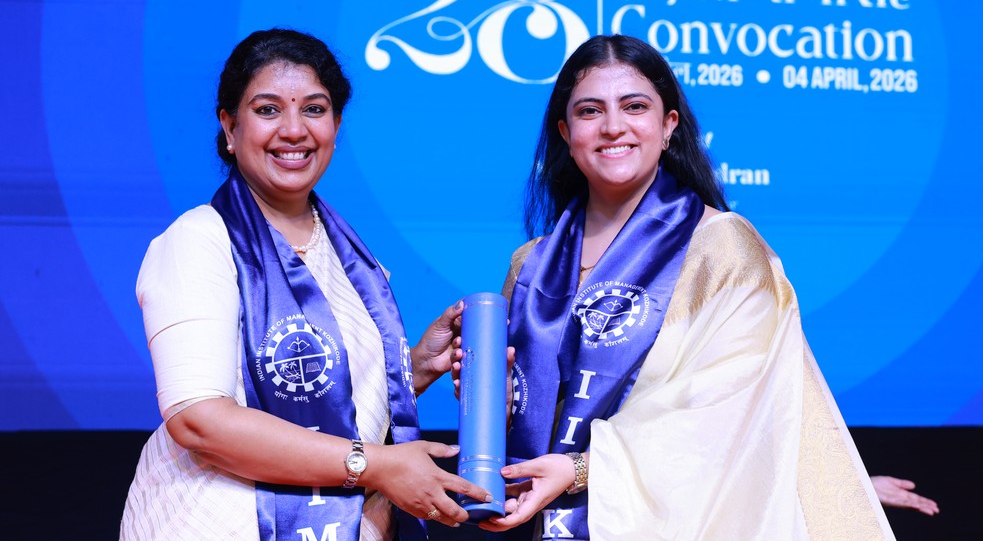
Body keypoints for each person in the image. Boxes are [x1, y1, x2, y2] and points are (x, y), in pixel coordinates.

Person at [474, 34, 895, 539]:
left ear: (669, 124)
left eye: (635, 107)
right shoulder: (531, 266)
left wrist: (584, 468)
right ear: (566, 131)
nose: (613, 126)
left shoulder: (723, 247)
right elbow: (523, 427)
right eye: (589, 111)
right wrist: (493, 392)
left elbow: (733, 412)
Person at [120, 28, 491, 540]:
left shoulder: (351, 257)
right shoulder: (200, 240)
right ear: (229, 127)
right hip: (215, 521)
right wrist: (376, 466)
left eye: (314, 109)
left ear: (336, 125)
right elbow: (199, 420)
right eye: (268, 110)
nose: (293, 130)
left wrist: (415, 368)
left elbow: (319, 396)